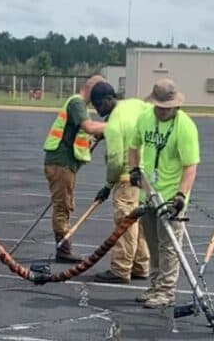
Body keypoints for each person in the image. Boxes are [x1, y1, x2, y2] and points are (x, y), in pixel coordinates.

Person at [127, 78, 200, 308]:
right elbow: (134, 144)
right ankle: (155, 284)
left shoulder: (185, 126)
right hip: (149, 191)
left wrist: (180, 195)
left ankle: (166, 291)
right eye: (159, 107)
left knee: (169, 245)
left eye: (166, 108)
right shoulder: (145, 118)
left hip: (171, 195)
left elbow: (190, 165)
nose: (162, 112)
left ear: (175, 106)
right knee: (152, 241)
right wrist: (134, 169)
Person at [87, 82, 151, 284]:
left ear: (108, 99)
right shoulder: (135, 105)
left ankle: (121, 269)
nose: (98, 111)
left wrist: (107, 186)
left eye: (99, 105)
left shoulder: (114, 123)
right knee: (138, 222)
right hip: (145, 175)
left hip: (126, 179)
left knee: (125, 222)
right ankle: (141, 266)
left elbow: (115, 161)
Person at [43, 75, 106, 262]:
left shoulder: (78, 105)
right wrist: (114, 125)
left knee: (65, 203)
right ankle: (63, 249)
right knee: (62, 206)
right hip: (60, 163)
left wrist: (96, 137)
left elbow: (82, 136)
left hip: (65, 162)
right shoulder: (77, 103)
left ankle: (64, 245)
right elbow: (89, 127)